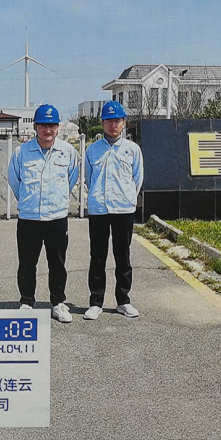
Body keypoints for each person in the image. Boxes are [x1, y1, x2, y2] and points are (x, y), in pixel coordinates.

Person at [8, 104, 79, 323]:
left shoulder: (67, 152)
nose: (48, 130)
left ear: (58, 128)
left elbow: (71, 179)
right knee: (27, 263)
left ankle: (58, 303)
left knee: (57, 263)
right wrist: (29, 201)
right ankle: (26, 302)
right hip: (29, 217)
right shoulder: (21, 152)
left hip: (56, 217)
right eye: (43, 125)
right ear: (35, 127)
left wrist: (57, 200)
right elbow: (15, 181)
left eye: (52, 125)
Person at [83, 100, 144, 320]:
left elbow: (137, 179)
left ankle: (123, 301)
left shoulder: (132, 150)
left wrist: (127, 198)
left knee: (123, 256)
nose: (113, 125)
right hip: (99, 209)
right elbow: (88, 179)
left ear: (124, 123)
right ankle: (96, 302)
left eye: (117, 120)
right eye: (108, 120)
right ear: (102, 123)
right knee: (97, 257)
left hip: (123, 209)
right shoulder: (92, 150)